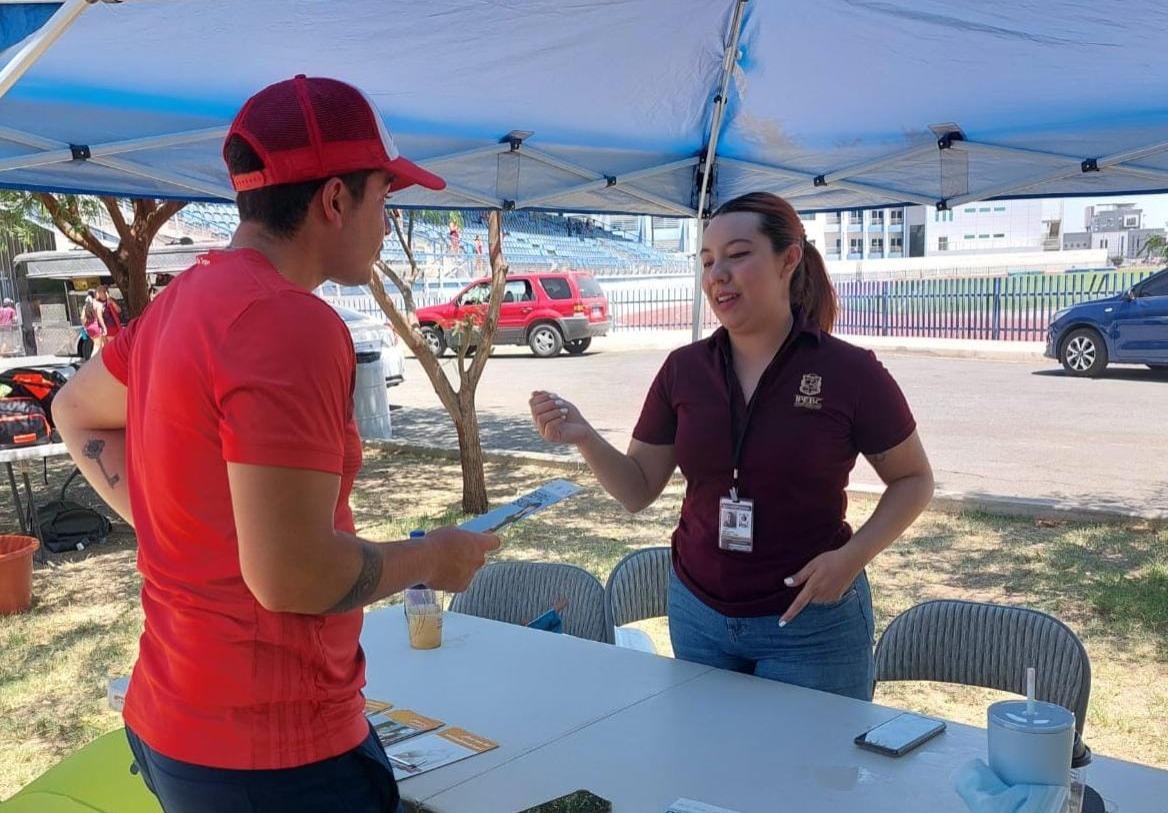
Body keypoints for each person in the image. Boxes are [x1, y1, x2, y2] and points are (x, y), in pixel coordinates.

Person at [53, 75, 499, 813]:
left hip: (174, 717)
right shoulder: (288, 321)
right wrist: (433, 558)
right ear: (333, 200)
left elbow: (78, 410)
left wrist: (183, 529)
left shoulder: (181, 305)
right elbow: (293, 578)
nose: (386, 225)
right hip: (274, 748)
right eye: (383, 197)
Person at [530, 192, 934, 701]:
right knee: (710, 770)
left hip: (810, 624)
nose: (717, 274)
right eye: (706, 261)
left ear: (789, 259)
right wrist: (584, 436)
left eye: (738, 254)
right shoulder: (684, 369)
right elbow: (637, 490)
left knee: (808, 774)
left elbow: (914, 479)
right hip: (700, 617)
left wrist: (851, 558)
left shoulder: (848, 371)